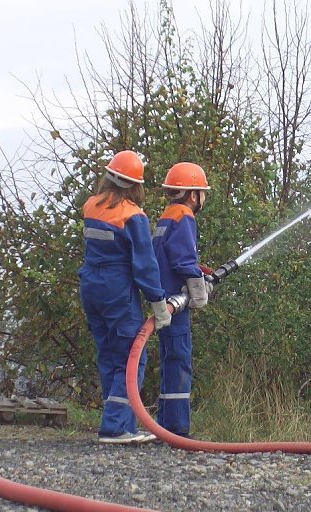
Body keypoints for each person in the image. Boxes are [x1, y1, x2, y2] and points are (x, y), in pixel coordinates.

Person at [79, 150, 172, 445]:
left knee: (109, 355)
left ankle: (120, 424)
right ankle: (116, 428)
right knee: (132, 356)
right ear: (135, 185)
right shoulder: (133, 215)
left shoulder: (91, 206)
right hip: (116, 291)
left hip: (90, 288)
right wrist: (159, 304)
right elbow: (145, 265)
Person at [152, 162, 213, 438]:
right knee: (179, 362)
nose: (203, 199)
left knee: (169, 360)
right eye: (202, 192)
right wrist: (198, 289)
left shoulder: (166, 217)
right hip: (175, 303)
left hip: (162, 299)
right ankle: (177, 429)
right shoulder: (185, 216)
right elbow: (183, 260)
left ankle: (165, 424)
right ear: (192, 195)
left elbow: (167, 256)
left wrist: (201, 272)